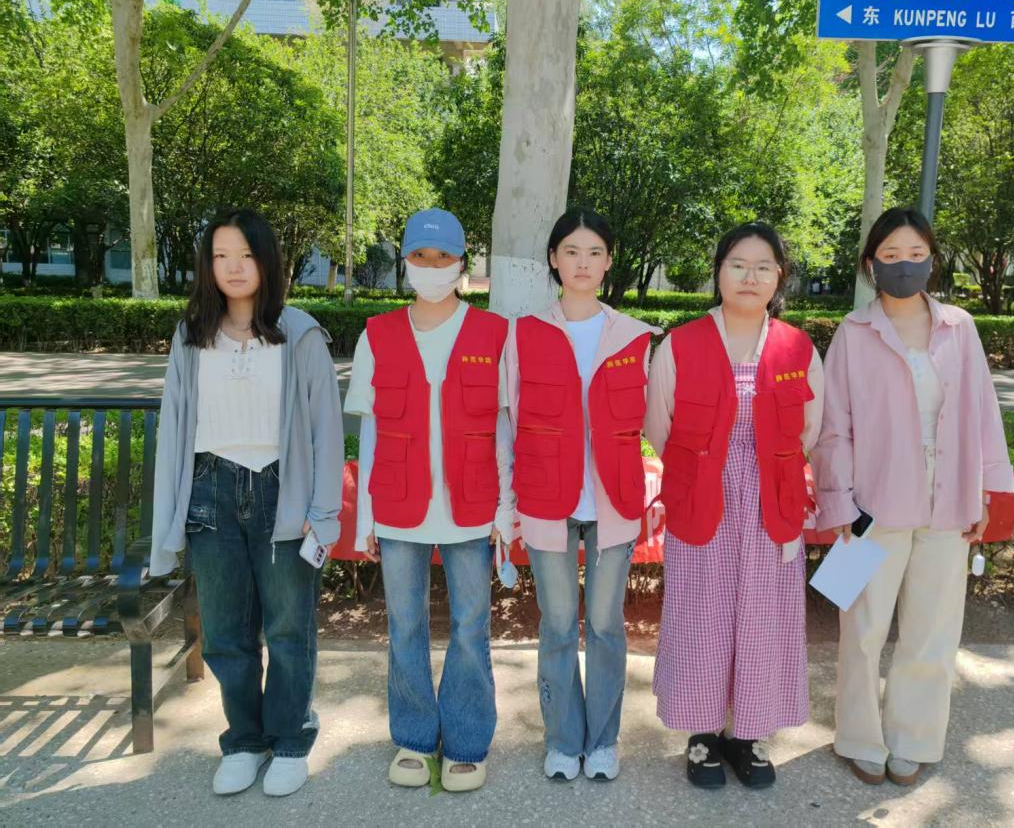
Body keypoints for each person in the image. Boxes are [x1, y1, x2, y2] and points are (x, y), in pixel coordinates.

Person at [812, 207, 1014, 786]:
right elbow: (834, 427)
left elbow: (984, 413)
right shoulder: (853, 333)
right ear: (870, 263)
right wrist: (839, 502)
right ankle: (859, 736)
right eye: (891, 255)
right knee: (862, 629)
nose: (904, 265)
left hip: (948, 500)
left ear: (932, 260)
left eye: (916, 254)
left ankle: (914, 739)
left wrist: (985, 493)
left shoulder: (960, 327)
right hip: (872, 506)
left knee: (932, 630)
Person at [150, 208, 344, 798]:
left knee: (288, 628)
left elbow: (326, 429)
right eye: (220, 256)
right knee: (226, 632)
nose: (233, 267)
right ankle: (243, 740)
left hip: (283, 491)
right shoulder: (191, 334)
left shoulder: (300, 333)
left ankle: (290, 740)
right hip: (210, 492)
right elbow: (175, 426)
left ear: (267, 261)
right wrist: (168, 519)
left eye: (246, 255)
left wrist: (324, 513)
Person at [644, 223, 823, 789]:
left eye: (763, 266)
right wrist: (705, 469)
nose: (750, 276)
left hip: (772, 504)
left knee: (763, 617)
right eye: (738, 264)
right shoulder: (681, 344)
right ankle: (702, 733)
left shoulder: (798, 348)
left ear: (779, 277)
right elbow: (659, 425)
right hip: (703, 500)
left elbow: (811, 429)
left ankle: (748, 733)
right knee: (702, 615)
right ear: (718, 272)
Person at [344, 208, 513, 793]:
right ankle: (414, 739)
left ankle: (467, 741)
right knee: (405, 624)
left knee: (470, 626)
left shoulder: (493, 333)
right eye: (421, 256)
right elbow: (369, 433)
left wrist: (506, 507)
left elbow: (503, 429)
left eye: (443, 257)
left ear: (461, 262)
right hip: (397, 505)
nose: (432, 266)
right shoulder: (377, 333)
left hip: (472, 504)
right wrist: (365, 516)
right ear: (406, 262)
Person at [503, 209, 660, 782]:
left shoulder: (636, 336)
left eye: (595, 252)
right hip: (547, 499)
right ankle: (563, 740)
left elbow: (653, 423)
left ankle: (602, 741)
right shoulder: (523, 333)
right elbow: (508, 421)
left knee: (606, 625)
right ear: (554, 259)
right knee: (558, 625)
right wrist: (506, 501)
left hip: (614, 502)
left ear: (609, 261)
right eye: (571, 251)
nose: (583, 263)